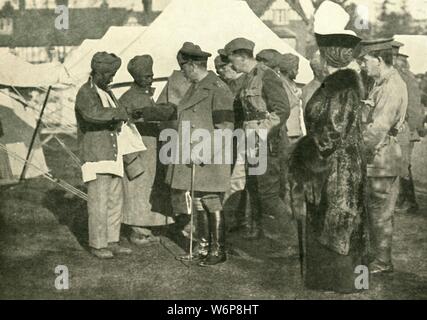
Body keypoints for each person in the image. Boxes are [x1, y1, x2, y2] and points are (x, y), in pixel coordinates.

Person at [288, 0, 368, 293]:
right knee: (329, 219)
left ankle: (347, 282)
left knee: (340, 219)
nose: (315, 57)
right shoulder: (331, 85)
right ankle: (326, 280)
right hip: (330, 165)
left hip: (338, 167)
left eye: (319, 52)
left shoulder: (343, 86)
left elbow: (332, 131)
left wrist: (305, 155)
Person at [136, 42, 235, 266]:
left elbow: (225, 128)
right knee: (198, 202)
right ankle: (202, 248)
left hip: (209, 158)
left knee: (211, 201)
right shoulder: (196, 86)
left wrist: (204, 153)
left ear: (192, 66)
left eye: (183, 67)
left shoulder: (217, 89)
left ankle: (218, 251)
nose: (182, 72)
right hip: (193, 157)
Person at [224, 38, 291, 240]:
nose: (230, 65)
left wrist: (261, 133)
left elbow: (282, 109)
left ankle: (289, 239)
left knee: (268, 193)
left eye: (231, 60)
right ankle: (259, 232)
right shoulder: (248, 78)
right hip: (249, 137)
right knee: (252, 187)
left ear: (243, 57)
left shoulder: (266, 76)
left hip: (264, 140)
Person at [357, 38, 409, 274]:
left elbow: (378, 128)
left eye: (365, 60)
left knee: (380, 211)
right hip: (381, 155)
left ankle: (381, 261)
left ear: (379, 60)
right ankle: (378, 257)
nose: (363, 65)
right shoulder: (382, 83)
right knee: (376, 210)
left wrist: (355, 148)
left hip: (381, 155)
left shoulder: (390, 87)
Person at [75, 52, 133, 259]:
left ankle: (112, 240)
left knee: (115, 200)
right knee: (98, 201)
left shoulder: (107, 91)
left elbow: (119, 111)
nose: (112, 78)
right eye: (109, 74)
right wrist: (118, 115)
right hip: (96, 155)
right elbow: (92, 114)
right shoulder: (86, 92)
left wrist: (122, 113)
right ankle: (98, 244)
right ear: (98, 72)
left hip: (113, 154)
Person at [119, 55, 174, 246]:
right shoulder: (129, 97)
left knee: (149, 188)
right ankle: (137, 230)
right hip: (137, 148)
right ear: (135, 77)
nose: (148, 79)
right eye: (144, 77)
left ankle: (146, 226)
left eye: (150, 76)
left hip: (152, 148)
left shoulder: (146, 96)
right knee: (137, 188)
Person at [391, 42, 425, 214]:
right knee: (402, 164)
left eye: (395, 58)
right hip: (404, 128)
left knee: (403, 165)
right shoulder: (403, 77)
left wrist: (409, 127)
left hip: (406, 129)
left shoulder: (406, 78)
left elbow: (413, 106)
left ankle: (409, 202)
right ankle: (404, 199)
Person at [279, 53, 306, 141]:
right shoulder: (280, 83)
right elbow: (283, 106)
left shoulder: (292, 83)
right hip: (288, 133)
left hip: (296, 131)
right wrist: (297, 97)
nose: (297, 72)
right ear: (288, 69)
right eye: (296, 68)